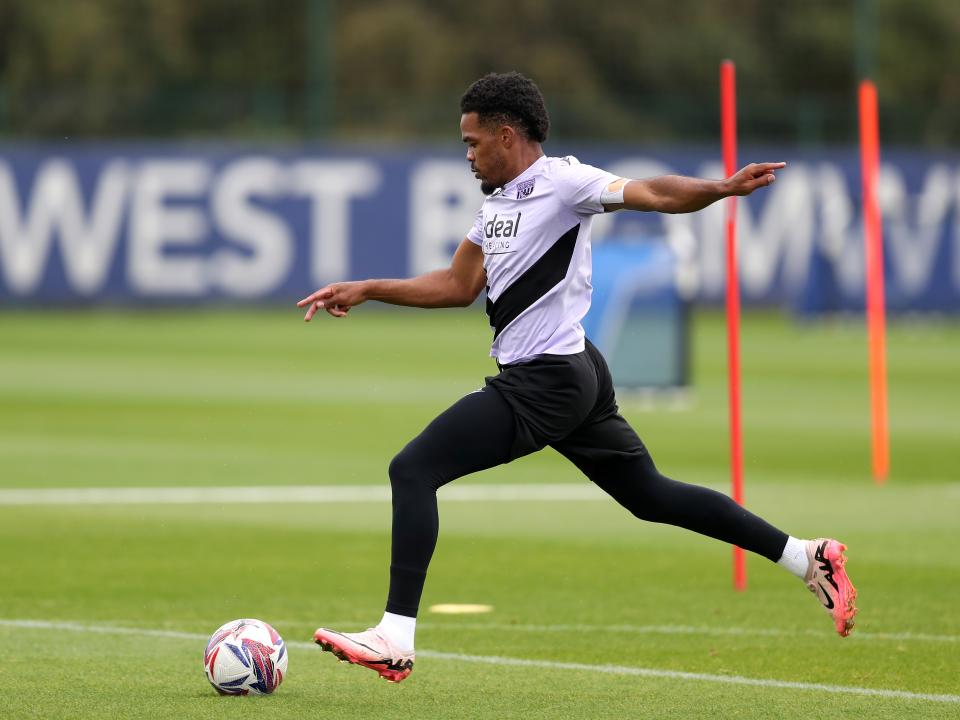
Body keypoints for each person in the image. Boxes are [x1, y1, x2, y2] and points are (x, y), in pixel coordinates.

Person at [298, 71, 857, 684]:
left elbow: (655, 194)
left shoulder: (564, 182)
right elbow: (458, 286)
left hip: (547, 380)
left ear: (506, 135)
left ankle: (394, 635)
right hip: (574, 372)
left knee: (413, 468)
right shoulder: (496, 206)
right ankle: (805, 557)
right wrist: (371, 288)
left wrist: (719, 189)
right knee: (650, 496)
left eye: (472, 142)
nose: (467, 155)